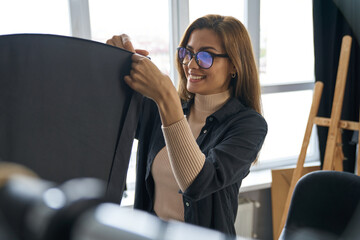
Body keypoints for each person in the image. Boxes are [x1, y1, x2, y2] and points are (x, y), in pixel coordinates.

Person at [106, 14, 267, 236]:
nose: (190, 64)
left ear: (234, 66)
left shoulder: (249, 125)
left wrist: (166, 97)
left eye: (205, 56)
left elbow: (196, 183)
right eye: (187, 53)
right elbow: (108, 119)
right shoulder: (161, 108)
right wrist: (113, 60)